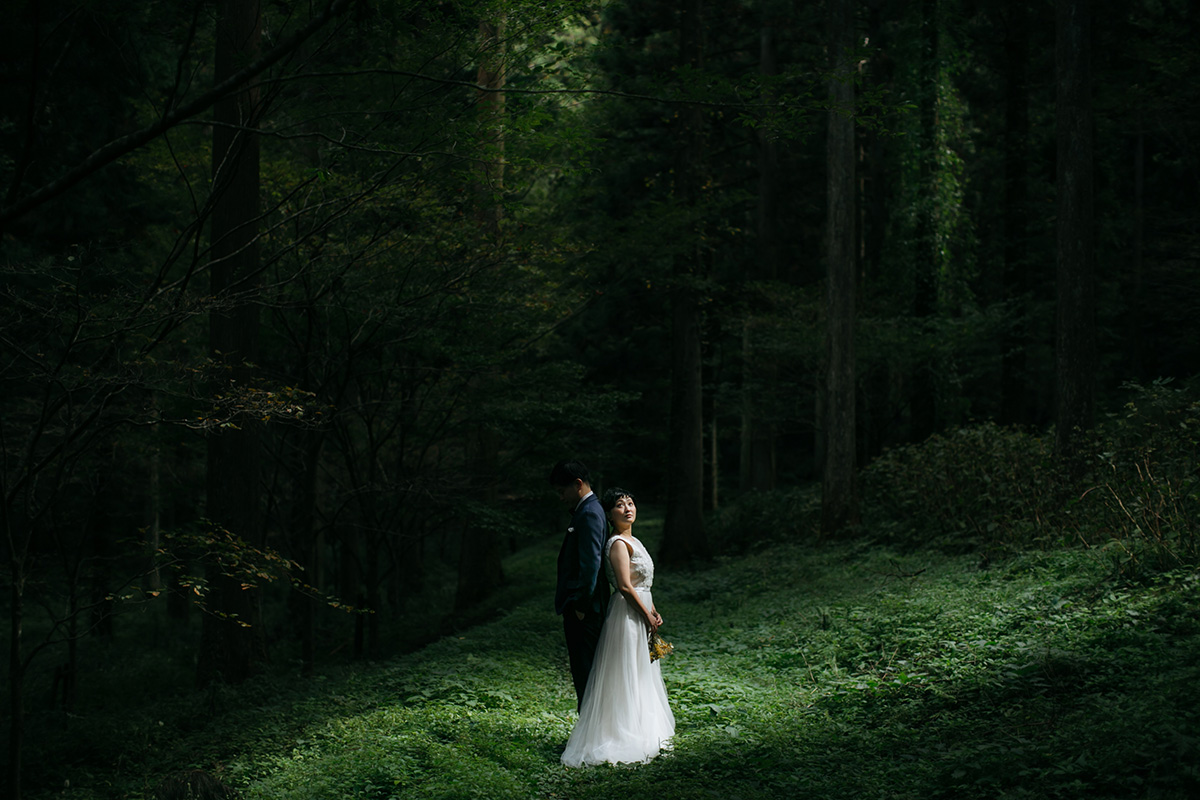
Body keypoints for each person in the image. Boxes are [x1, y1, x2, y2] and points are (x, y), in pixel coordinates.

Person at [561, 487, 675, 767]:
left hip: (641, 609)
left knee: (640, 673)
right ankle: (621, 732)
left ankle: (642, 726)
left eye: (631, 503)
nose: (628, 508)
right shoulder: (617, 544)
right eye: (620, 506)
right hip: (626, 616)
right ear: (611, 515)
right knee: (626, 673)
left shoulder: (634, 540)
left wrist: (653, 610)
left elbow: (642, 584)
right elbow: (624, 586)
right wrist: (645, 615)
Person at [550, 460, 610, 712]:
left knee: (586, 673)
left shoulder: (589, 513)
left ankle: (591, 734)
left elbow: (590, 565)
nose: (561, 498)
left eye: (562, 491)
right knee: (585, 672)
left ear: (577, 484)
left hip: (586, 609)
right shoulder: (588, 511)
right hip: (585, 607)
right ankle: (590, 732)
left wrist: (581, 605)